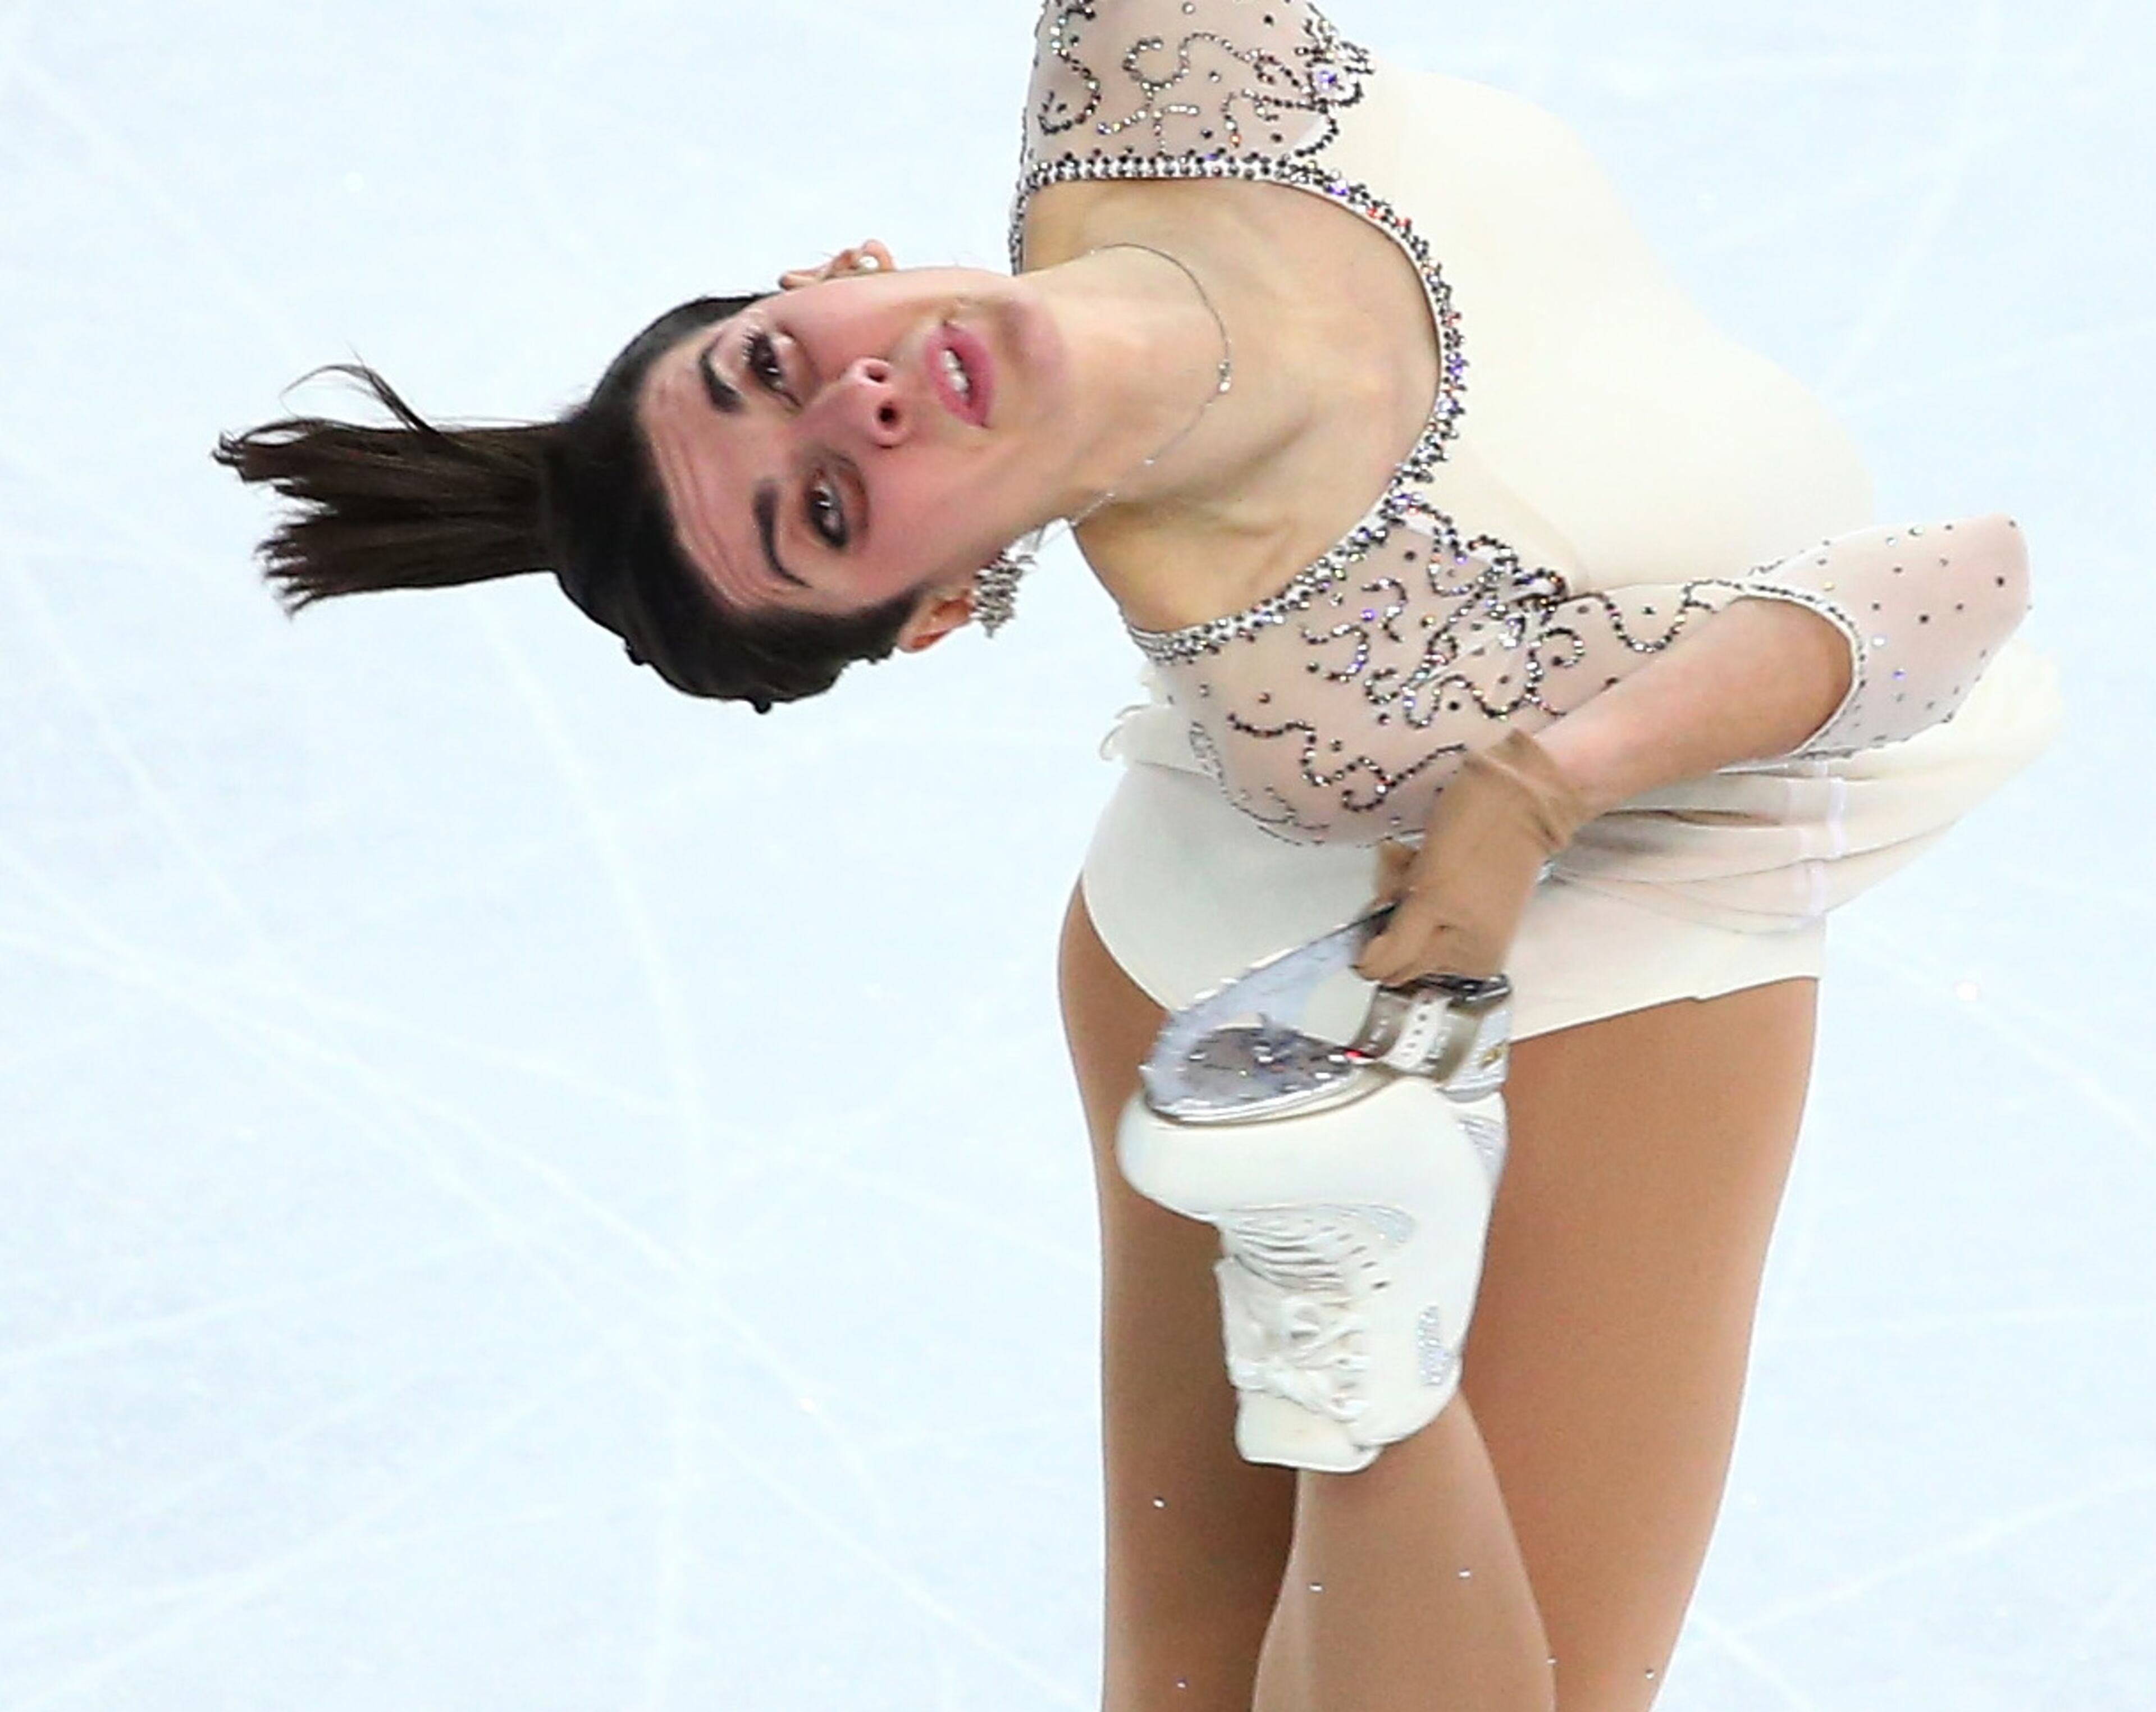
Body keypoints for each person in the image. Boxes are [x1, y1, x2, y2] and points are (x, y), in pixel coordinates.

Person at [214, 1, 2058, 1706]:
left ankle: (1338, 1295)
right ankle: (1360, 1346)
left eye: (768, 369)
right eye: (829, 511)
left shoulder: (1152, 53)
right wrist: (1537, 788)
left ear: (833, 271)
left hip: (1212, 937)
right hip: (1577, 907)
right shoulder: (1326, 690)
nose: (844, 408)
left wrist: (1517, 784)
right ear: (939, 608)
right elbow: (1959, 592)